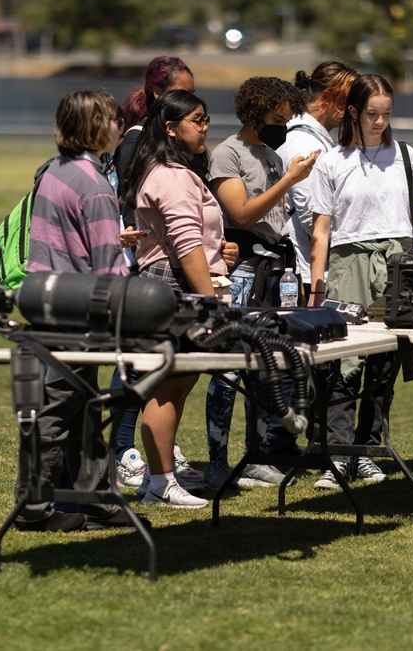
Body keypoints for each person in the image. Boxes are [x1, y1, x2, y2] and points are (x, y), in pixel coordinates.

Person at [307, 74, 413, 490]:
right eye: (372, 114)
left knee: (386, 360)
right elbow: (321, 230)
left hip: (399, 263)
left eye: (387, 114)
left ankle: (369, 449)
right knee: (344, 362)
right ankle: (338, 455)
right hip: (348, 262)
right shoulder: (331, 162)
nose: (380, 121)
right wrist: (317, 284)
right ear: (354, 112)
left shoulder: (406, 155)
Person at [11, 89, 141, 533]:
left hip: (48, 302)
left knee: (84, 406)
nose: (119, 125)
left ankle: (97, 499)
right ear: (92, 126)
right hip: (80, 313)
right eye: (110, 119)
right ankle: (32, 508)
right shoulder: (95, 185)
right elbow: (110, 271)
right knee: (60, 408)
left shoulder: (53, 171)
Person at [204, 76, 316, 491]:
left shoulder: (270, 155)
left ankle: (257, 455)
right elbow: (244, 215)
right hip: (242, 273)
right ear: (253, 113)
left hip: (273, 271)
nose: (281, 126)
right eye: (275, 118)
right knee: (229, 370)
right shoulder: (228, 155)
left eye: (286, 119)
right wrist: (290, 180)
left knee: (264, 368)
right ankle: (218, 462)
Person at [121, 89, 229, 508]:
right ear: (171, 127)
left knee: (177, 384)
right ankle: (162, 482)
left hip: (175, 282)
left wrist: (221, 250)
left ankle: (157, 481)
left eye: (205, 119)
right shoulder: (171, 174)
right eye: (196, 120)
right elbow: (186, 246)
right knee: (169, 385)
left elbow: (193, 238)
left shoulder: (170, 169)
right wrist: (212, 306)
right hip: (175, 286)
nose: (204, 127)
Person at [109, 56, 202, 490]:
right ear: (157, 98)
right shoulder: (139, 145)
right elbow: (140, 211)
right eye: (177, 94)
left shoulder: (173, 154)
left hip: (155, 267)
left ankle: (156, 456)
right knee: (142, 366)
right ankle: (125, 450)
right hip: (144, 268)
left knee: (167, 371)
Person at [279, 61, 360, 295]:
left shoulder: (310, 136)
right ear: (328, 97)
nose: (355, 109)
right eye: (350, 101)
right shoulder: (306, 142)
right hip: (306, 278)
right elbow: (311, 217)